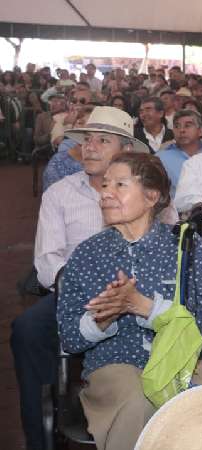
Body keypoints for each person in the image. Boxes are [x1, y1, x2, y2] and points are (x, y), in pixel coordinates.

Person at [11, 106, 153, 450]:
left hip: (139, 291)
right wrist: (86, 288)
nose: (89, 146)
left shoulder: (149, 192)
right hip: (72, 294)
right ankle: (42, 437)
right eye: (87, 139)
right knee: (28, 330)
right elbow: (47, 262)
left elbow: (166, 247)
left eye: (102, 140)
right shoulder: (60, 193)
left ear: (127, 150)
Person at [57, 152, 202, 450]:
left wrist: (142, 305)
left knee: (200, 404)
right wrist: (101, 320)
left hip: (180, 362)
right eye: (104, 185)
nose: (106, 193)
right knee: (137, 398)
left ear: (151, 196)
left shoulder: (183, 247)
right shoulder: (88, 255)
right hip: (114, 362)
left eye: (119, 185)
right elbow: (69, 337)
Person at [156, 109, 202, 197]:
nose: (181, 130)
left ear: (200, 131)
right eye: (177, 126)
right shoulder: (161, 158)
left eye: (187, 126)